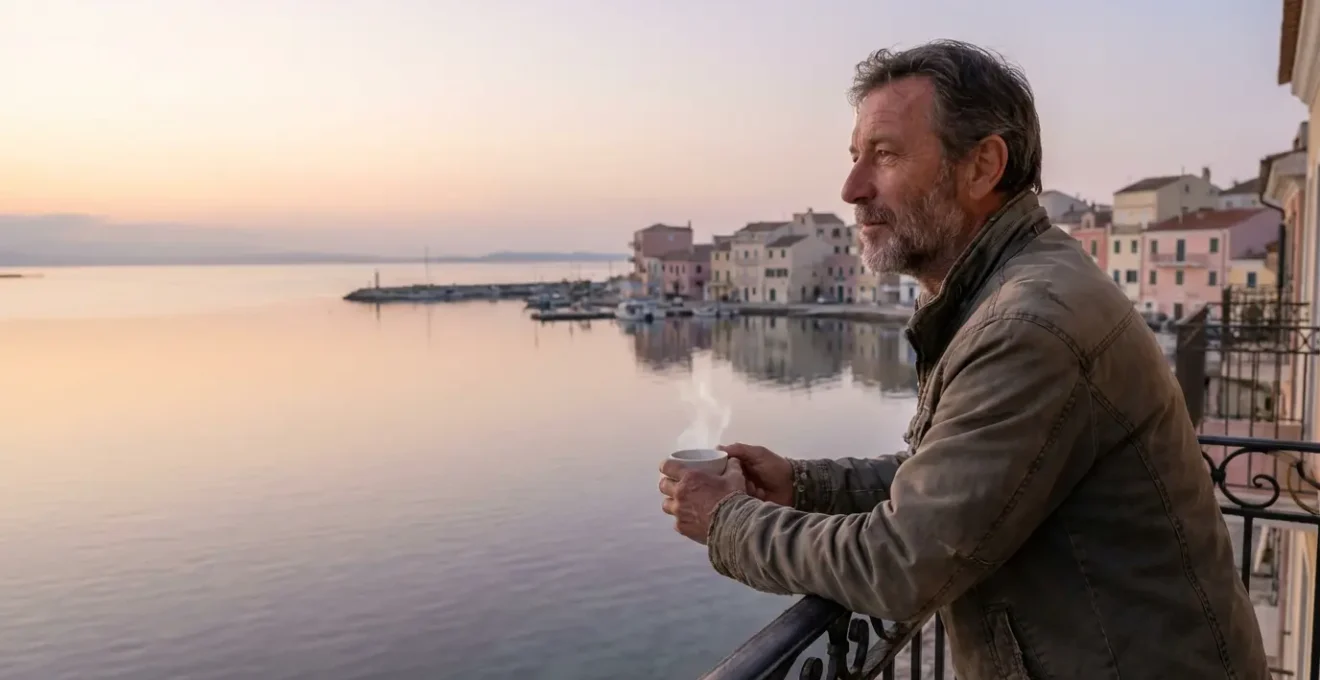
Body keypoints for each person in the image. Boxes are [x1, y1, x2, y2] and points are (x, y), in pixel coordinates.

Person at [658, 40, 1268, 679]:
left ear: (982, 167)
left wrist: (724, 519)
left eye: (886, 155)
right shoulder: (1022, 286)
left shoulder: (1028, 324)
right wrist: (802, 484)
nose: (852, 188)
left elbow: (899, 562)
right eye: (855, 157)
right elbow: (964, 470)